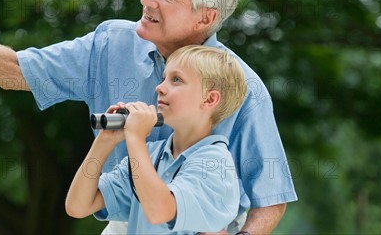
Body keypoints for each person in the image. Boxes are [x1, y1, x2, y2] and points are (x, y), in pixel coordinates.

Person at [0, 0, 297, 234]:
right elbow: (13, 71)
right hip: (130, 221)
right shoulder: (111, 43)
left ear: (205, 17)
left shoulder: (245, 89)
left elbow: (270, 197)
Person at [65, 45, 248, 234]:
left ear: (209, 99)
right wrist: (105, 142)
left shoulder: (214, 163)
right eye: (163, 78)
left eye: (176, 79)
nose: (159, 88)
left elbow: (160, 212)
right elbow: (77, 206)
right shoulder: (151, 155)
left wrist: (135, 138)